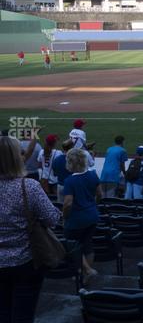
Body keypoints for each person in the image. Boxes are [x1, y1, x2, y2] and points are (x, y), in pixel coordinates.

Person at [0, 136, 61, 323]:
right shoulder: (29, 187)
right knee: (22, 316)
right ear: (17, 157)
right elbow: (53, 219)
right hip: (25, 262)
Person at [63, 148, 102, 285]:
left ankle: (87, 270)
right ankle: (86, 274)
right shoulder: (92, 175)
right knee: (87, 244)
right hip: (92, 215)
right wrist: (92, 205)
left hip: (77, 218)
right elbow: (100, 195)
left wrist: (65, 216)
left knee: (72, 245)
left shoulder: (70, 181)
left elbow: (68, 203)